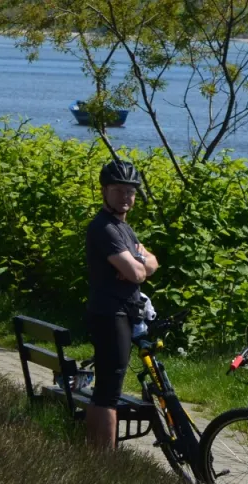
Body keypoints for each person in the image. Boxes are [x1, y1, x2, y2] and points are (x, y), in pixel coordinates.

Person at [85, 159, 159, 450]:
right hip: (110, 314)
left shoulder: (123, 228)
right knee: (109, 391)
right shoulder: (105, 228)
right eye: (118, 190)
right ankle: (105, 460)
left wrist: (138, 262)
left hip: (123, 312)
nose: (125, 197)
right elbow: (139, 273)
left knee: (106, 388)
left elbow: (151, 262)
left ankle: (94, 454)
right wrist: (138, 265)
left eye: (130, 192)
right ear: (104, 191)